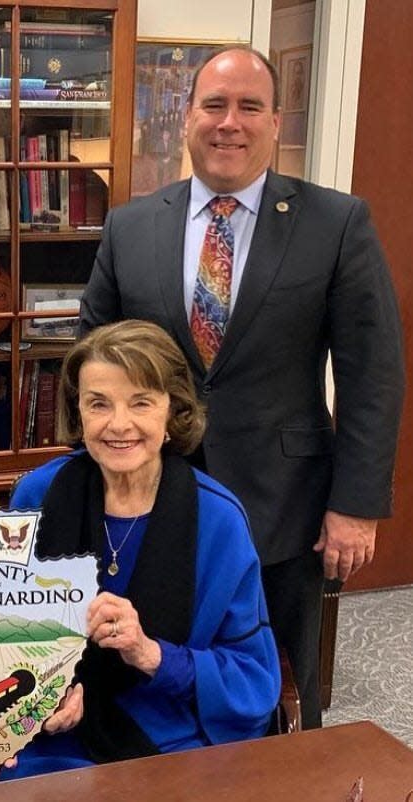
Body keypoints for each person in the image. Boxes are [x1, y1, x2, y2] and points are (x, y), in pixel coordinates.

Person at [78, 45, 405, 728]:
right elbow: (91, 361)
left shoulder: (337, 223)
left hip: (285, 504)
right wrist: (87, 475)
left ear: (275, 122)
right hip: (149, 488)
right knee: (151, 664)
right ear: (187, 118)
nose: (230, 122)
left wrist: (356, 504)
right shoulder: (131, 224)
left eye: (249, 106)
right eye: (215, 105)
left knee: (282, 681)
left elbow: (371, 371)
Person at [2, 320, 280, 777]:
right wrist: (41, 701)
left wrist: (152, 654)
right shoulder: (36, 497)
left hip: (169, 738)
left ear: (172, 414)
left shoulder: (219, 520)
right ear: (79, 412)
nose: (118, 424)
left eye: (141, 403)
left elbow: (252, 678)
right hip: (50, 736)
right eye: (98, 404)